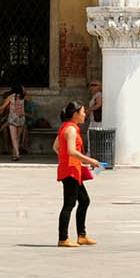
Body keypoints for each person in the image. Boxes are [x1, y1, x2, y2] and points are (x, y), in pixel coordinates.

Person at [54, 100, 96, 247]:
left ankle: (82, 235)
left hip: (72, 169)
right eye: (83, 112)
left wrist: (65, 158)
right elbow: (72, 151)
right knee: (69, 204)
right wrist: (90, 160)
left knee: (84, 201)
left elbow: (56, 146)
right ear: (75, 114)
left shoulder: (67, 128)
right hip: (70, 171)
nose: (85, 114)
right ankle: (63, 238)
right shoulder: (70, 129)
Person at [6, 85, 28, 160]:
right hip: (21, 119)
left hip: (13, 119)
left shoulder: (10, 97)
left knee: (13, 137)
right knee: (18, 137)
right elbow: (29, 98)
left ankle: (17, 153)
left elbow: (4, 105)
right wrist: (24, 92)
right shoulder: (23, 97)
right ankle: (14, 153)